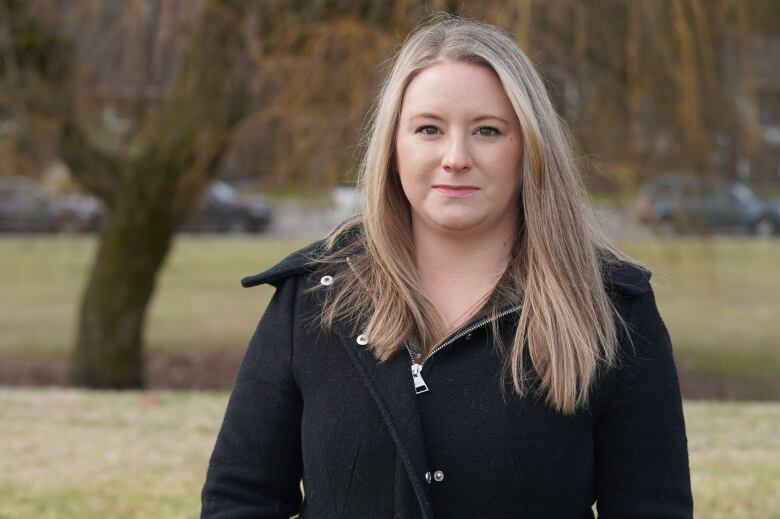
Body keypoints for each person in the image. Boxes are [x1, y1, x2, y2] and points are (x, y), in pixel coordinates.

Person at [201, 13, 693, 519]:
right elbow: (240, 500)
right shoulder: (312, 300)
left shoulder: (611, 310)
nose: (456, 157)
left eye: (487, 130)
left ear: (529, 148)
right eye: (429, 129)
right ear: (393, 146)